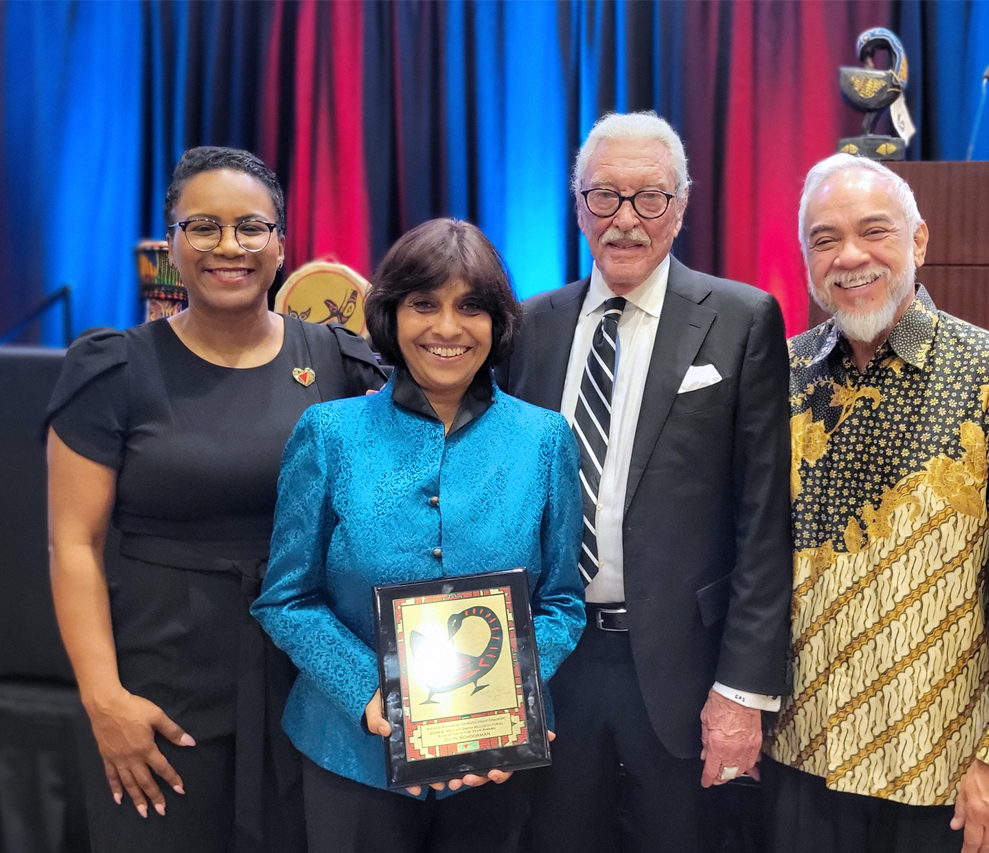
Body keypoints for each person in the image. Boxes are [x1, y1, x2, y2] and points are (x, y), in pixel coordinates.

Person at [46, 146, 387, 852]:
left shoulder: (339, 364)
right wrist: (104, 700)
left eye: (250, 227)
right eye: (203, 226)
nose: (228, 246)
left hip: (311, 688)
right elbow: (72, 544)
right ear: (172, 241)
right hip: (158, 695)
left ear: (281, 244)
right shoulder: (116, 369)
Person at [762, 153, 989, 853]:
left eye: (874, 231)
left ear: (919, 242)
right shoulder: (777, 375)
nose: (850, 257)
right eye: (824, 238)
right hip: (802, 754)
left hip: (941, 768)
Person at [500, 111, 792, 853]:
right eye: (604, 196)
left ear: (683, 205)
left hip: (683, 670)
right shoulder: (527, 327)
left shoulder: (741, 319)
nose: (625, 220)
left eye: (649, 198)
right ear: (578, 205)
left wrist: (742, 690)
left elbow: (763, 526)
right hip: (553, 660)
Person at [250, 218, 586, 853]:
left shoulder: (544, 440)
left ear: (499, 322)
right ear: (391, 315)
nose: (448, 328)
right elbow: (286, 599)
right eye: (424, 304)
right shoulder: (329, 434)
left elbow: (563, 604)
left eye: (471, 307)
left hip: (493, 764)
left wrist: (507, 703)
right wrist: (367, 691)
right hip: (350, 756)